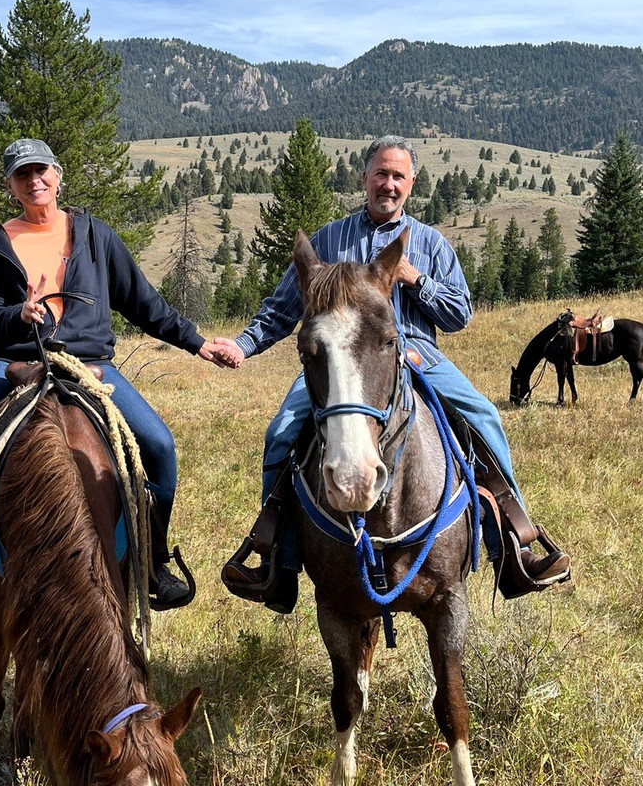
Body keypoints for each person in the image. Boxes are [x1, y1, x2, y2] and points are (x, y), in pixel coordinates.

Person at [215, 134, 570, 612]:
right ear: (364, 179)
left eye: (398, 176)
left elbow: (459, 314)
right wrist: (241, 344)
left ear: (411, 184)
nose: (388, 184)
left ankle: (513, 547)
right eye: (380, 174)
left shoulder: (430, 244)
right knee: (282, 431)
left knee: (484, 416)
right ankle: (276, 557)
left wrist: (414, 279)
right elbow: (283, 308)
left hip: (418, 355)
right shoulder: (329, 240)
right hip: (342, 361)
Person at [0, 138, 236, 620]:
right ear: (11, 187)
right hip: (13, 365)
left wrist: (198, 342)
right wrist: (17, 315)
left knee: (161, 449)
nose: (34, 181)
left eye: (41, 171)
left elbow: (143, 302)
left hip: (91, 367)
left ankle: (153, 560)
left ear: (58, 176)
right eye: (23, 175)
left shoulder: (94, 235)